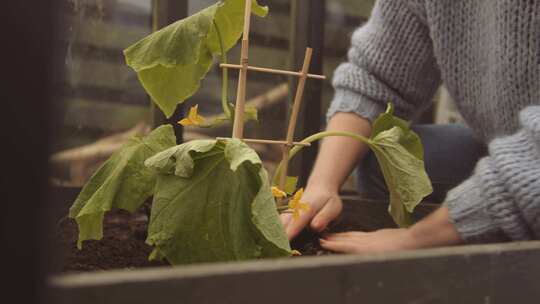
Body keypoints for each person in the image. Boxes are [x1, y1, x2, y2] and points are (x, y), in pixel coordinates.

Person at [281, 0, 540, 253]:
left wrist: (415, 239)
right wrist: (321, 186)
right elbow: (376, 77)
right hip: (505, 142)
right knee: (382, 161)